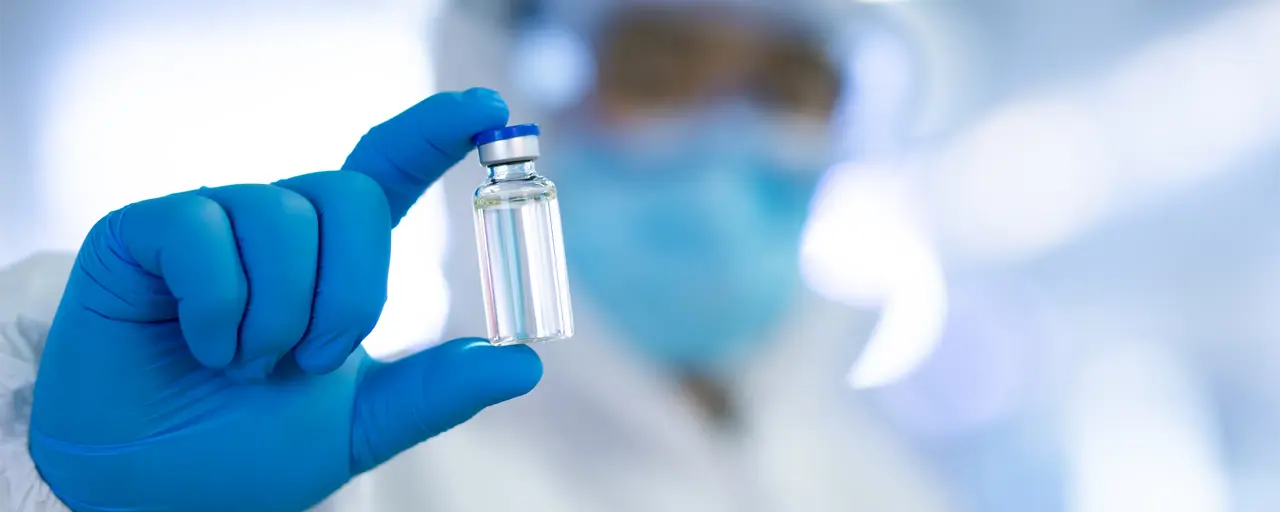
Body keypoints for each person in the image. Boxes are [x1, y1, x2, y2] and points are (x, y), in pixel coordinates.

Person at [1, 4, 951, 511]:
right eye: (656, 70)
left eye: (791, 87)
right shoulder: (364, 476)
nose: (727, 137)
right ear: (515, 86)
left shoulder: (887, 485)